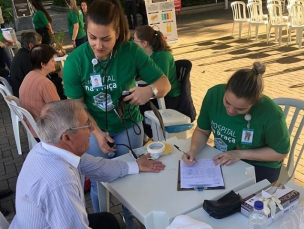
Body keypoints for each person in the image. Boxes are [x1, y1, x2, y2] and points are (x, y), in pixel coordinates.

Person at [63, 0, 171, 227]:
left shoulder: (131, 51)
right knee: (98, 181)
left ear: (118, 32)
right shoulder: (75, 61)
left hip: (128, 125)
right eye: (92, 37)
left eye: (106, 39)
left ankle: (130, 220)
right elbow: (77, 106)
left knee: (132, 175)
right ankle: (104, 220)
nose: (98, 45)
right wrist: (98, 133)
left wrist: (149, 91)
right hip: (91, 128)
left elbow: (164, 84)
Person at [9, 99, 165, 229]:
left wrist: (135, 166)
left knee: (108, 220)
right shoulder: (60, 180)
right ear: (67, 138)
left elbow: (97, 166)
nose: (92, 129)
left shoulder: (47, 147)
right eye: (86, 125)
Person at [182, 62, 290, 183]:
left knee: (233, 198)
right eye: (227, 102)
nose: (231, 111)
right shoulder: (214, 94)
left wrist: (240, 154)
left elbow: (280, 152)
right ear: (225, 89)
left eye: (241, 109)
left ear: (255, 103)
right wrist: (193, 150)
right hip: (225, 158)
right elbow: (202, 130)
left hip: (260, 165)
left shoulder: (271, 113)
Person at [134, 25, 181, 137]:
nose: (133, 43)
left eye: (135, 41)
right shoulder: (147, 54)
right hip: (160, 95)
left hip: (169, 96)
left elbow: (161, 82)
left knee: (138, 106)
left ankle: (150, 135)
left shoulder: (162, 56)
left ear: (144, 43)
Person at [19, 44, 60, 140]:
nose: (55, 63)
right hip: (46, 131)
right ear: (43, 64)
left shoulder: (29, 75)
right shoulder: (45, 83)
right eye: (52, 61)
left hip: (33, 127)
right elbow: (58, 111)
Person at [10, 32, 66, 99]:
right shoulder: (28, 59)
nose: (41, 47)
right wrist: (58, 79)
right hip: (30, 96)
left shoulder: (22, 54)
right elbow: (40, 81)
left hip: (26, 92)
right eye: (39, 45)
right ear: (31, 46)